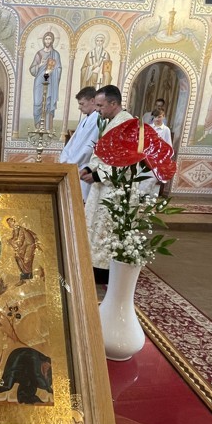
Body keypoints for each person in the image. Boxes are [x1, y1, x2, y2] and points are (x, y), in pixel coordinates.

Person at [79, 85, 135, 284]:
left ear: (113, 103)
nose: (97, 109)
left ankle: (104, 271)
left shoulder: (128, 125)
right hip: (102, 187)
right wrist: (89, 167)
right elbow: (102, 153)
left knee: (106, 229)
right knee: (95, 227)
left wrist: (97, 176)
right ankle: (93, 266)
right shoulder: (112, 122)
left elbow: (125, 162)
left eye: (101, 105)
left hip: (114, 189)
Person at [60, 86, 101, 202]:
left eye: (82, 104)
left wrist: (72, 163)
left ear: (92, 101)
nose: (79, 107)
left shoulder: (97, 119)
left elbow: (89, 147)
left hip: (83, 167)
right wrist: (64, 158)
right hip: (74, 165)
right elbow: (72, 142)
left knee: (81, 201)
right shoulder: (86, 119)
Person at [29, 31, 62, 127]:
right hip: (39, 81)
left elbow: (59, 68)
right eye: (46, 39)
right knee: (37, 103)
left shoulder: (55, 54)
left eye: (49, 39)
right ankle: (38, 127)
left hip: (50, 82)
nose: (47, 41)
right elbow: (32, 69)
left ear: (52, 40)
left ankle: (47, 128)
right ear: (43, 40)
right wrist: (40, 65)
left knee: (48, 103)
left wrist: (52, 71)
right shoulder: (39, 54)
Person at [6, 217, 39, 286]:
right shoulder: (15, 230)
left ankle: (28, 279)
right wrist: (10, 241)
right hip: (24, 247)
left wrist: (11, 242)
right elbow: (15, 238)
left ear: (13, 221)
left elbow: (20, 240)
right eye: (8, 223)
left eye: (10, 222)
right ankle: (24, 279)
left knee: (26, 261)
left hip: (29, 246)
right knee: (18, 258)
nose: (9, 224)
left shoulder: (19, 229)